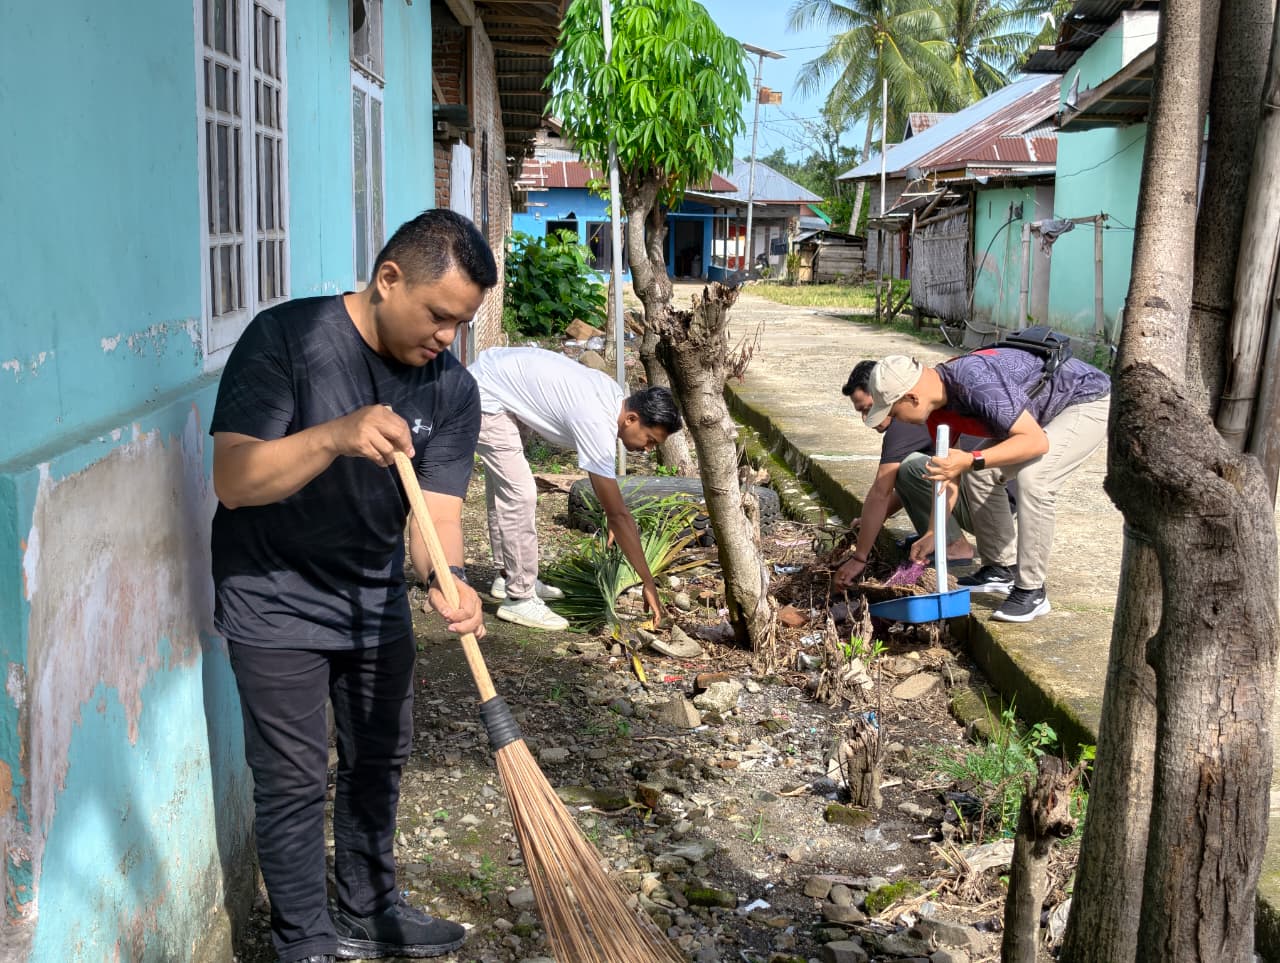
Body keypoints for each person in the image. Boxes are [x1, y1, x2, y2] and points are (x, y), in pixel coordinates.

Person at [209, 209, 497, 963]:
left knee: (378, 759)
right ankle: (303, 940)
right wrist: (336, 434)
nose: (446, 337)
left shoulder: (452, 391)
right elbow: (234, 479)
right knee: (294, 778)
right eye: (438, 316)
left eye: (460, 324)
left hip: (372, 602)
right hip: (272, 596)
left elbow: (436, 521)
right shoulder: (286, 340)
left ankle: (368, 909)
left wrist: (451, 580)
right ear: (389, 278)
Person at [862, 347, 1110, 622]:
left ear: (912, 397)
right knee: (980, 471)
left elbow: (1035, 441)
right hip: (1038, 409)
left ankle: (1031, 590)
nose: (896, 421)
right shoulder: (938, 409)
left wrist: (970, 458)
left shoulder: (974, 382)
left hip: (1084, 399)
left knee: (1035, 477)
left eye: (894, 412)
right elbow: (950, 475)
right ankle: (1000, 568)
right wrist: (934, 532)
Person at [468, 346, 682, 631]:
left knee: (508, 489)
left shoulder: (613, 398)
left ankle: (509, 576)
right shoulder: (597, 420)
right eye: (650, 439)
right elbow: (618, 514)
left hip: (499, 384)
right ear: (631, 419)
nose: (647, 449)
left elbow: (613, 508)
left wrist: (614, 517)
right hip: (486, 394)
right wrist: (648, 582)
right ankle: (519, 598)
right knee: (520, 494)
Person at [833, 360, 975, 589]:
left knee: (910, 466)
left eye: (868, 409)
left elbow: (881, 490)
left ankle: (952, 545)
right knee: (912, 469)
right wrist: (873, 521)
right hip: (983, 495)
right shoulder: (916, 414)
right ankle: (933, 538)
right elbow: (910, 485)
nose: (866, 420)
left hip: (986, 503)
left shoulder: (903, 424)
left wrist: (859, 558)